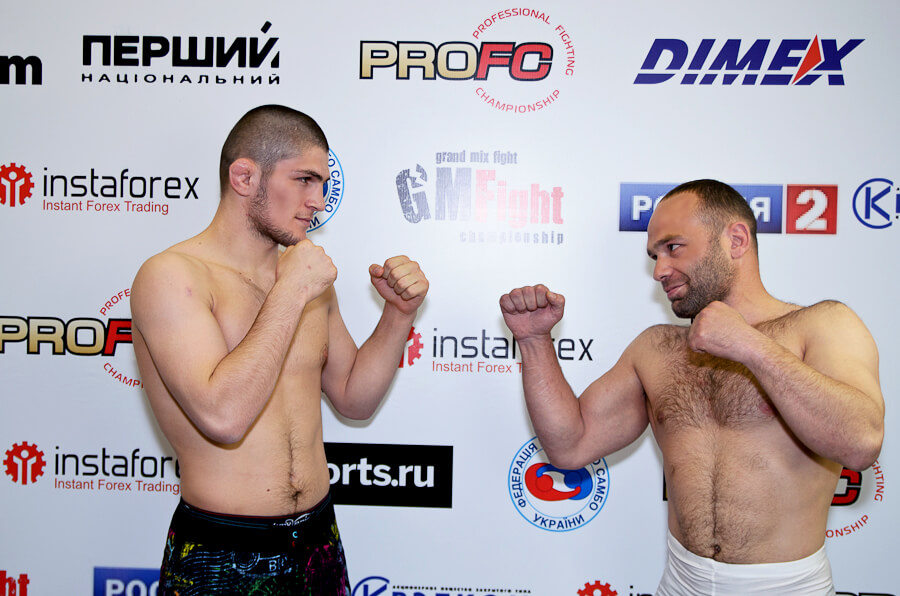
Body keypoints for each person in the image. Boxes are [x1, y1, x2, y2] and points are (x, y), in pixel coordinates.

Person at [499, 179, 884, 595]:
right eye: (655, 255)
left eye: (673, 247)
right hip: (681, 584)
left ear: (736, 240)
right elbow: (570, 446)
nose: (659, 271)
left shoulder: (823, 324)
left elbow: (860, 443)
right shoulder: (656, 348)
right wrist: (534, 340)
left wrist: (749, 345)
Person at [131, 104, 429, 595]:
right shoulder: (172, 276)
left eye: (323, 184)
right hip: (222, 550)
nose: (319, 201)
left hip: (318, 539)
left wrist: (398, 315)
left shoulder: (304, 276)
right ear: (244, 177)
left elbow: (355, 399)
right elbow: (223, 416)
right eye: (305, 180)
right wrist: (290, 291)